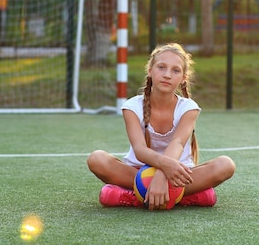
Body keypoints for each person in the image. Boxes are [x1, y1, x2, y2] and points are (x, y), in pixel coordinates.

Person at [87, 43, 236, 210]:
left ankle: (135, 196)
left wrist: (163, 175)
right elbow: (139, 149)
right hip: (136, 173)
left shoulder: (188, 108)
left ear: (183, 77)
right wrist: (163, 168)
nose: (167, 75)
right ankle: (180, 197)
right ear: (150, 71)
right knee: (97, 158)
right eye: (161, 67)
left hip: (178, 175)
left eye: (175, 70)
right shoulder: (132, 106)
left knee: (226, 164)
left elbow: (177, 143)